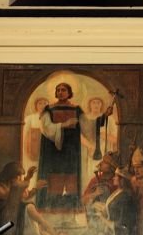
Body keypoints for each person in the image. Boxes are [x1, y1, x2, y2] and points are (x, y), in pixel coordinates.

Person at [37, 82, 112, 212]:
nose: (60, 92)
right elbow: (46, 128)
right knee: (55, 176)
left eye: (63, 90)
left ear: (69, 92)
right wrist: (64, 124)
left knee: (71, 176)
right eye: (58, 90)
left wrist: (104, 116)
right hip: (54, 151)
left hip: (71, 150)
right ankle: (53, 206)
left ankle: (70, 207)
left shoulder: (76, 110)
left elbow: (88, 126)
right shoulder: (49, 110)